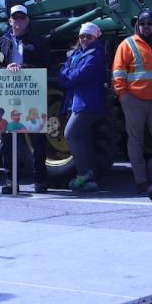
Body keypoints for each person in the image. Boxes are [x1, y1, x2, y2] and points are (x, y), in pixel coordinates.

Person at [0, 5, 50, 194]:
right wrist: (6, 69)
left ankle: (40, 180)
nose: (19, 21)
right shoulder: (0, 42)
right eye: (16, 18)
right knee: (7, 140)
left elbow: (46, 64)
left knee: (37, 139)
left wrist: (24, 68)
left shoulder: (37, 41)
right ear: (9, 21)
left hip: (31, 95)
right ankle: (10, 181)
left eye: (22, 18)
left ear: (27, 21)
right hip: (7, 95)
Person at [112, 9, 152, 194]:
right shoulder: (127, 45)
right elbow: (118, 73)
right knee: (136, 140)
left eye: (149, 23)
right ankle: (141, 180)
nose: (146, 27)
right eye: (142, 23)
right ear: (137, 25)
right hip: (134, 100)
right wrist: (123, 95)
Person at [58, 22, 107, 193]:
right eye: (82, 36)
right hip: (77, 101)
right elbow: (63, 74)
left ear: (95, 37)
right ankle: (90, 179)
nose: (84, 39)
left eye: (88, 36)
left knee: (70, 134)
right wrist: (68, 75)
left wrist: (67, 75)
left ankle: (83, 174)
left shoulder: (96, 54)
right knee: (84, 140)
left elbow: (79, 75)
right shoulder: (77, 53)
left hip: (88, 103)